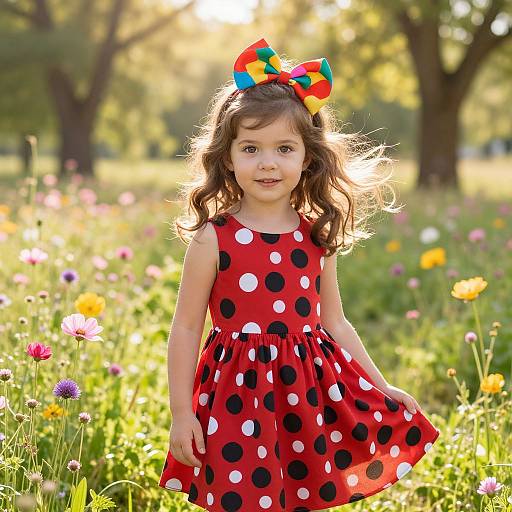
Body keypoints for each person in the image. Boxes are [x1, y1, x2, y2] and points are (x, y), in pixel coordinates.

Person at [158, 37, 440, 512]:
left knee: (300, 493)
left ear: (307, 157)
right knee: (243, 495)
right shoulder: (215, 238)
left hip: (305, 393)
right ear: (227, 157)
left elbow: (336, 322)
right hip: (235, 395)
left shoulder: (316, 237)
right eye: (250, 148)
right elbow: (186, 327)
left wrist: (379, 386)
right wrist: (181, 412)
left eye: (283, 148)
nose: (267, 162)